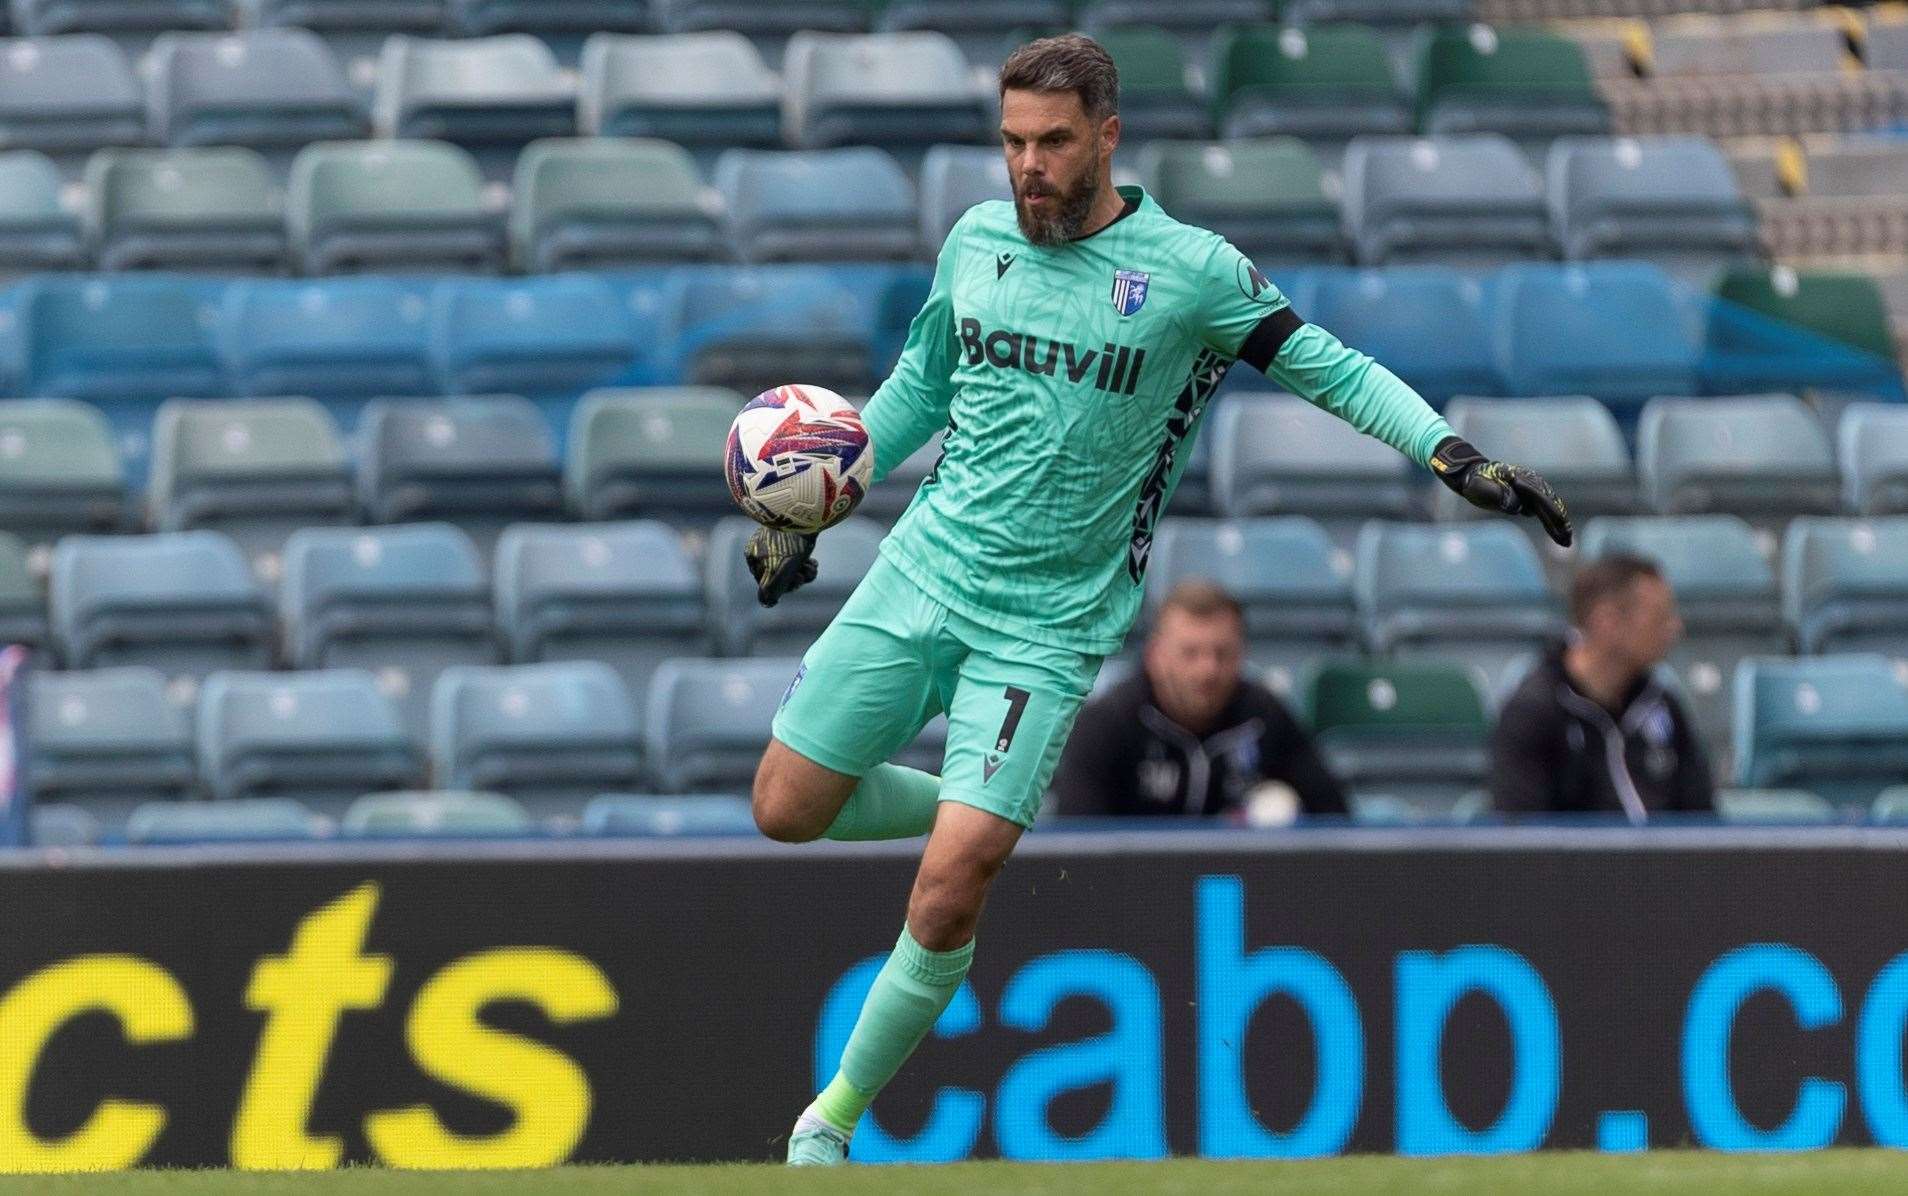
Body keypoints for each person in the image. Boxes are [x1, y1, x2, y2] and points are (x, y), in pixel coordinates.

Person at [744, 34, 1573, 1166]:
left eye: (1051, 142)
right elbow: (915, 396)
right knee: (785, 806)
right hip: (922, 570)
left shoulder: (1190, 271)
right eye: (1012, 143)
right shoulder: (975, 241)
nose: (1027, 166)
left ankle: (826, 1121)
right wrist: (811, 510)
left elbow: (1326, 362)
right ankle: (971, 795)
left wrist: (1450, 452)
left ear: (1108, 136)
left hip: (1048, 621)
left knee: (952, 884)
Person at [1050, 580, 1346, 820]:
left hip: (1239, 888)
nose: (1208, 670)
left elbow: (1335, 821)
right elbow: (1078, 840)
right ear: (1156, 656)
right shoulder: (1109, 722)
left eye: (1222, 653)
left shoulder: (1264, 717)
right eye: (1190, 653)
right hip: (1133, 888)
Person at [1492, 554, 1714, 820]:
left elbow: (1703, 821)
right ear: (1606, 622)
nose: (1675, 627)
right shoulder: (1533, 712)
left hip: (1665, 862)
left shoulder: (1663, 704)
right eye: (1659, 616)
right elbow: (1521, 838)